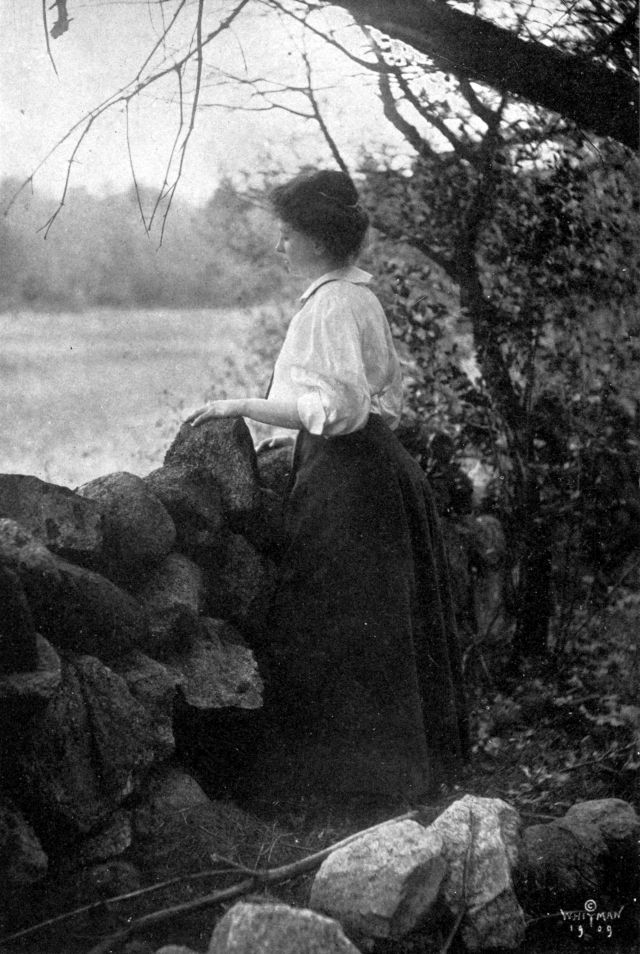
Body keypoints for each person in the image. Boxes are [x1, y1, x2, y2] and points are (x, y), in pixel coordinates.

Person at [186, 169, 468, 800]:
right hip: (373, 470)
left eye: (287, 235)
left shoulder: (335, 303)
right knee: (373, 622)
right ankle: (380, 781)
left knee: (342, 622)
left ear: (315, 238)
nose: (280, 246)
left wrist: (242, 406)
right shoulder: (351, 295)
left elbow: (339, 407)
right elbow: (380, 380)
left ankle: (359, 788)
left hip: (349, 476)